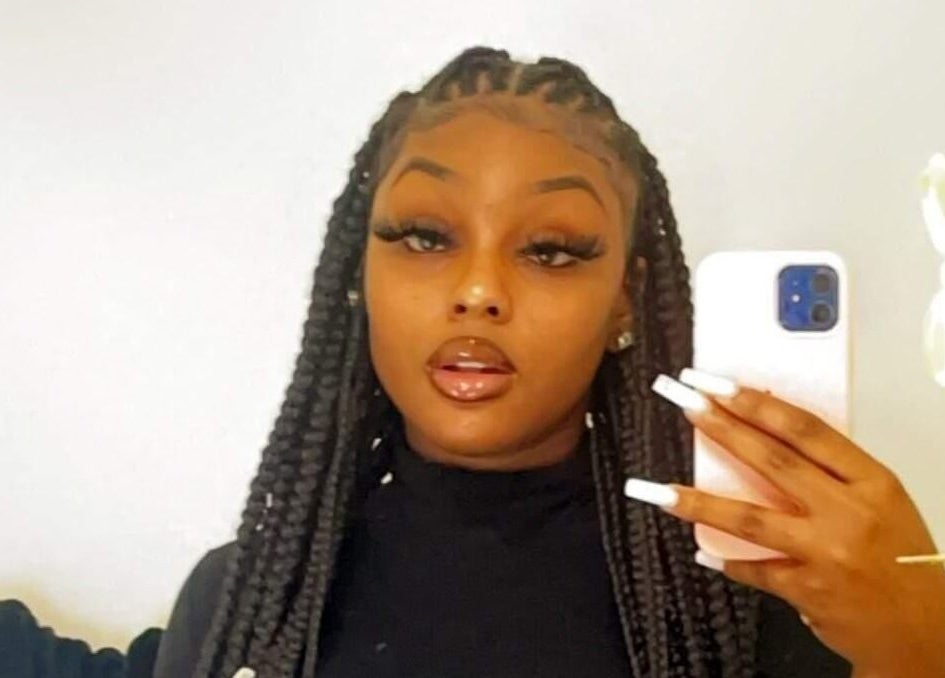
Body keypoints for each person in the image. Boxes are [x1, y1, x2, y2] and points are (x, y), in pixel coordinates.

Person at [152, 46, 945, 678]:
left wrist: (921, 646)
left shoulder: (745, 604)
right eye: (424, 237)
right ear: (359, 274)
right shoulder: (249, 604)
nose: (477, 291)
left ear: (624, 302)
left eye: (551, 251)